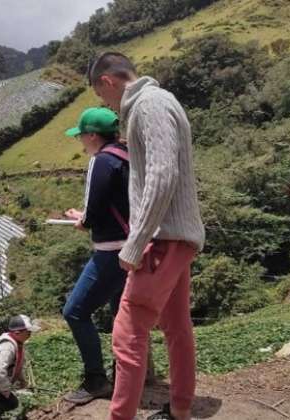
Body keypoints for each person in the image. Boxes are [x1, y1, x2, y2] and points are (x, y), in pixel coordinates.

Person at [87, 52, 205, 420]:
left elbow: (161, 174)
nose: (107, 105)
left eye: (102, 96)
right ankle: (180, 409)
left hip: (161, 239)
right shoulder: (161, 100)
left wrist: (136, 243)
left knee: (126, 332)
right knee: (176, 326)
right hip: (177, 236)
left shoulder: (148, 105)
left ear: (108, 81)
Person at [61, 107, 130, 404]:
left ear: (92, 135)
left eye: (81, 137)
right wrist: (88, 215)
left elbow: (95, 208)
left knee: (75, 311)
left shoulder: (101, 160)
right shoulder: (128, 155)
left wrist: (83, 220)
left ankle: (96, 380)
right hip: (134, 247)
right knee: (121, 317)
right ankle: (126, 377)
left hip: (111, 250)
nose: (81, 143)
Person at [0, 315, 39, 420]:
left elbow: (17, 365)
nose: (30, 334)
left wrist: (22, 381)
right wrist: (6, 389)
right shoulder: (8, 347)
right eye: (28, 332)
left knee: (3, 401)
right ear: (17, 332)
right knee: (11, 402)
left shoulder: (18, 343)